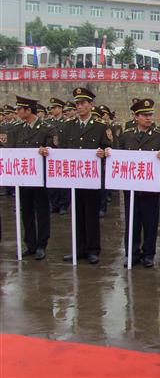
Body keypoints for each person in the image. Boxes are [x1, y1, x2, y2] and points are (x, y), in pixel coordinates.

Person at [59, 87, 112, 265]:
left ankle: (93, 249)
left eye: (83, 103)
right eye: (77, 103)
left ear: (91, 105)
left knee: (91, 215)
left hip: (92, 178)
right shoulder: (68, 126)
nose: (79, 106)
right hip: (74, 177)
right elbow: (62, 150)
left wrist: (103, 153)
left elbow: (109, 148)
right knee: (76, 214)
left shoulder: (100, 127)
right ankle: (78, 248)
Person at [113, 98, 160, 268]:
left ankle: (149, 254)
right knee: (132, 222)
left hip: (151, 187)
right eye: (144, 115)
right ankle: (132, 253)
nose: (148, 118)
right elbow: (119, 157)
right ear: (136, 117)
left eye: (150, 115)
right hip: (131, 187)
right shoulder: (126, 135)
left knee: (150, 223)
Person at [9, 96, 57, 260]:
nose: (17, 112)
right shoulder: (16, 129)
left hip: (40, 177)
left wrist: (47, 150)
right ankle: (30, 244)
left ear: (28, 110)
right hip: (23, 177)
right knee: (26, 211)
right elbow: (11, 151)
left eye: (19, 109)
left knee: (42, 211)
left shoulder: (46, 129)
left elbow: (55, 150)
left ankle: (42, 244)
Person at [47, 97, 70, 216]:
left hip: (63, 154)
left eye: (55, 107)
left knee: (64, 182)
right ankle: (54, 204)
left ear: (61, 109)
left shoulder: (67, 123)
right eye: (52, 108)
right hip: (52, 155)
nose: (53, 110)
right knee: (52, 182)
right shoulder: (48, 123)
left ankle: (63, 205)